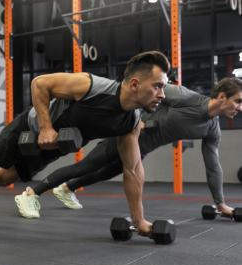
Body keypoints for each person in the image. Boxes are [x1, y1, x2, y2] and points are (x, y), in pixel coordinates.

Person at [0, 50, 170, 238]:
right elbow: (40, 84)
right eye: (157, 86)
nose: (162, 94)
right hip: (28, 129)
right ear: (135, 83)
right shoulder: (91, 86)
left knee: (2, 178)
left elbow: (133, 170)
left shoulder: (131, 123)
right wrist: (46, 127)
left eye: (164, 87)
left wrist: (139, 220)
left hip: (51, 147)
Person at [21, 77, 242, 218]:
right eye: (238, 101)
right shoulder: (188, 98)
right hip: (127, 135)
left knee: (104, 173)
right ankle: (30, 194)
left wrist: (220, 203)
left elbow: (213, 166)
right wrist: (138, 117)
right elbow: (147, 93)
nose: (239, 108)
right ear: (222, 97)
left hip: (142, 148)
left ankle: (66, 189)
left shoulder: (212, 129)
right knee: (87, 166)